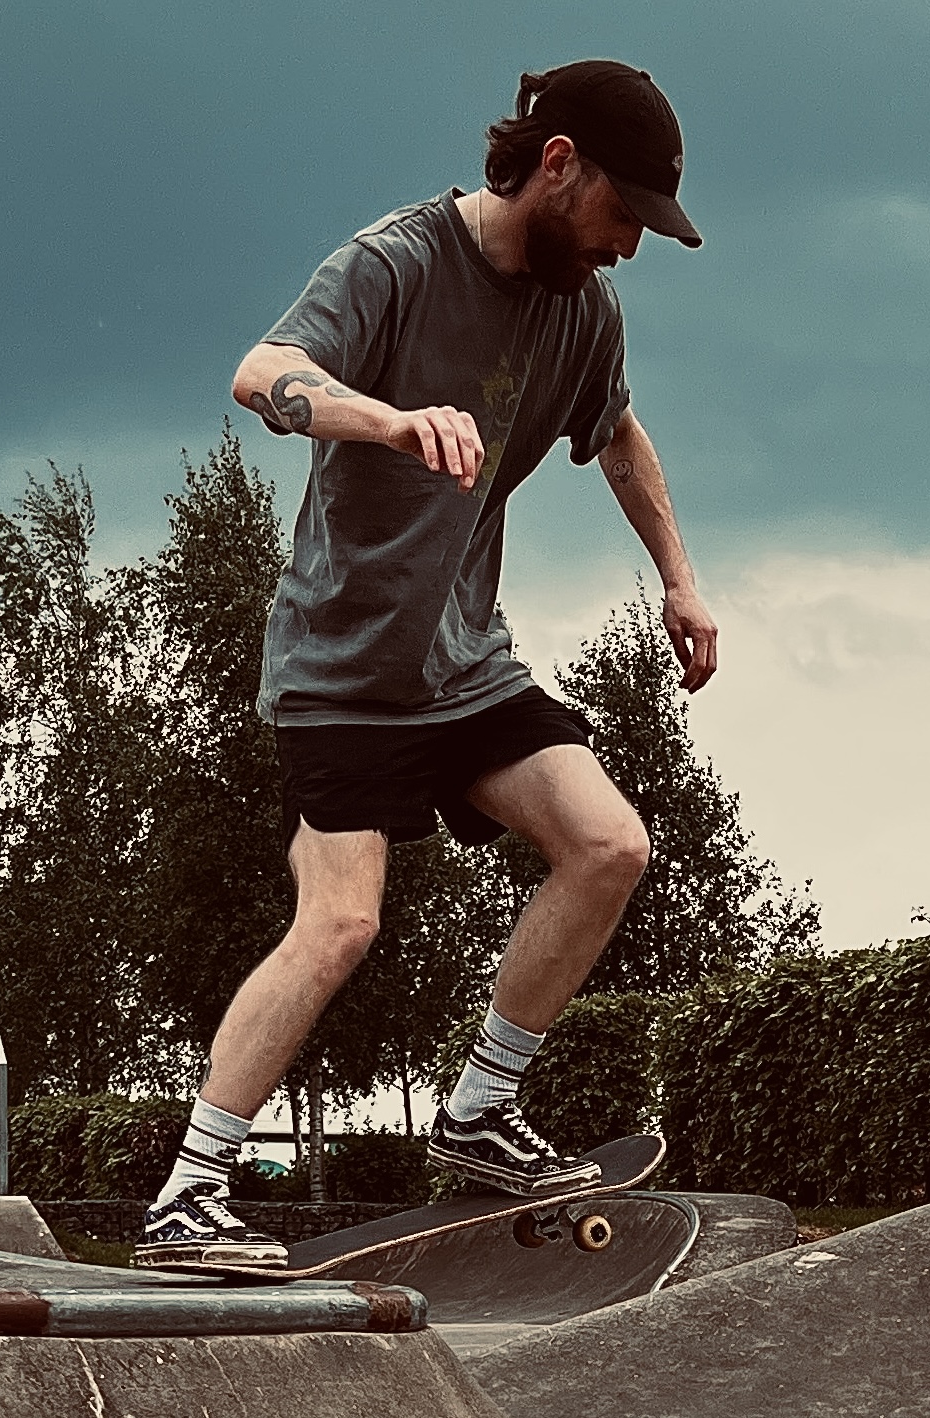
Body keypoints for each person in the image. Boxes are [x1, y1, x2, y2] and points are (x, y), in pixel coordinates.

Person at [135, 58, 717, 1273]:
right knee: (341, 924)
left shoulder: (582, 312)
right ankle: (189, 1194)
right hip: (341, 669)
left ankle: (480, 1111)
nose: (629, 248)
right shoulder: (393, 263)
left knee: (609, 844)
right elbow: (260, 374)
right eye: (623, 216)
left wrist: (677, 576)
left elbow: (613, 430)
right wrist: (386, 417)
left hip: (462, 666)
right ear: (557, 165)